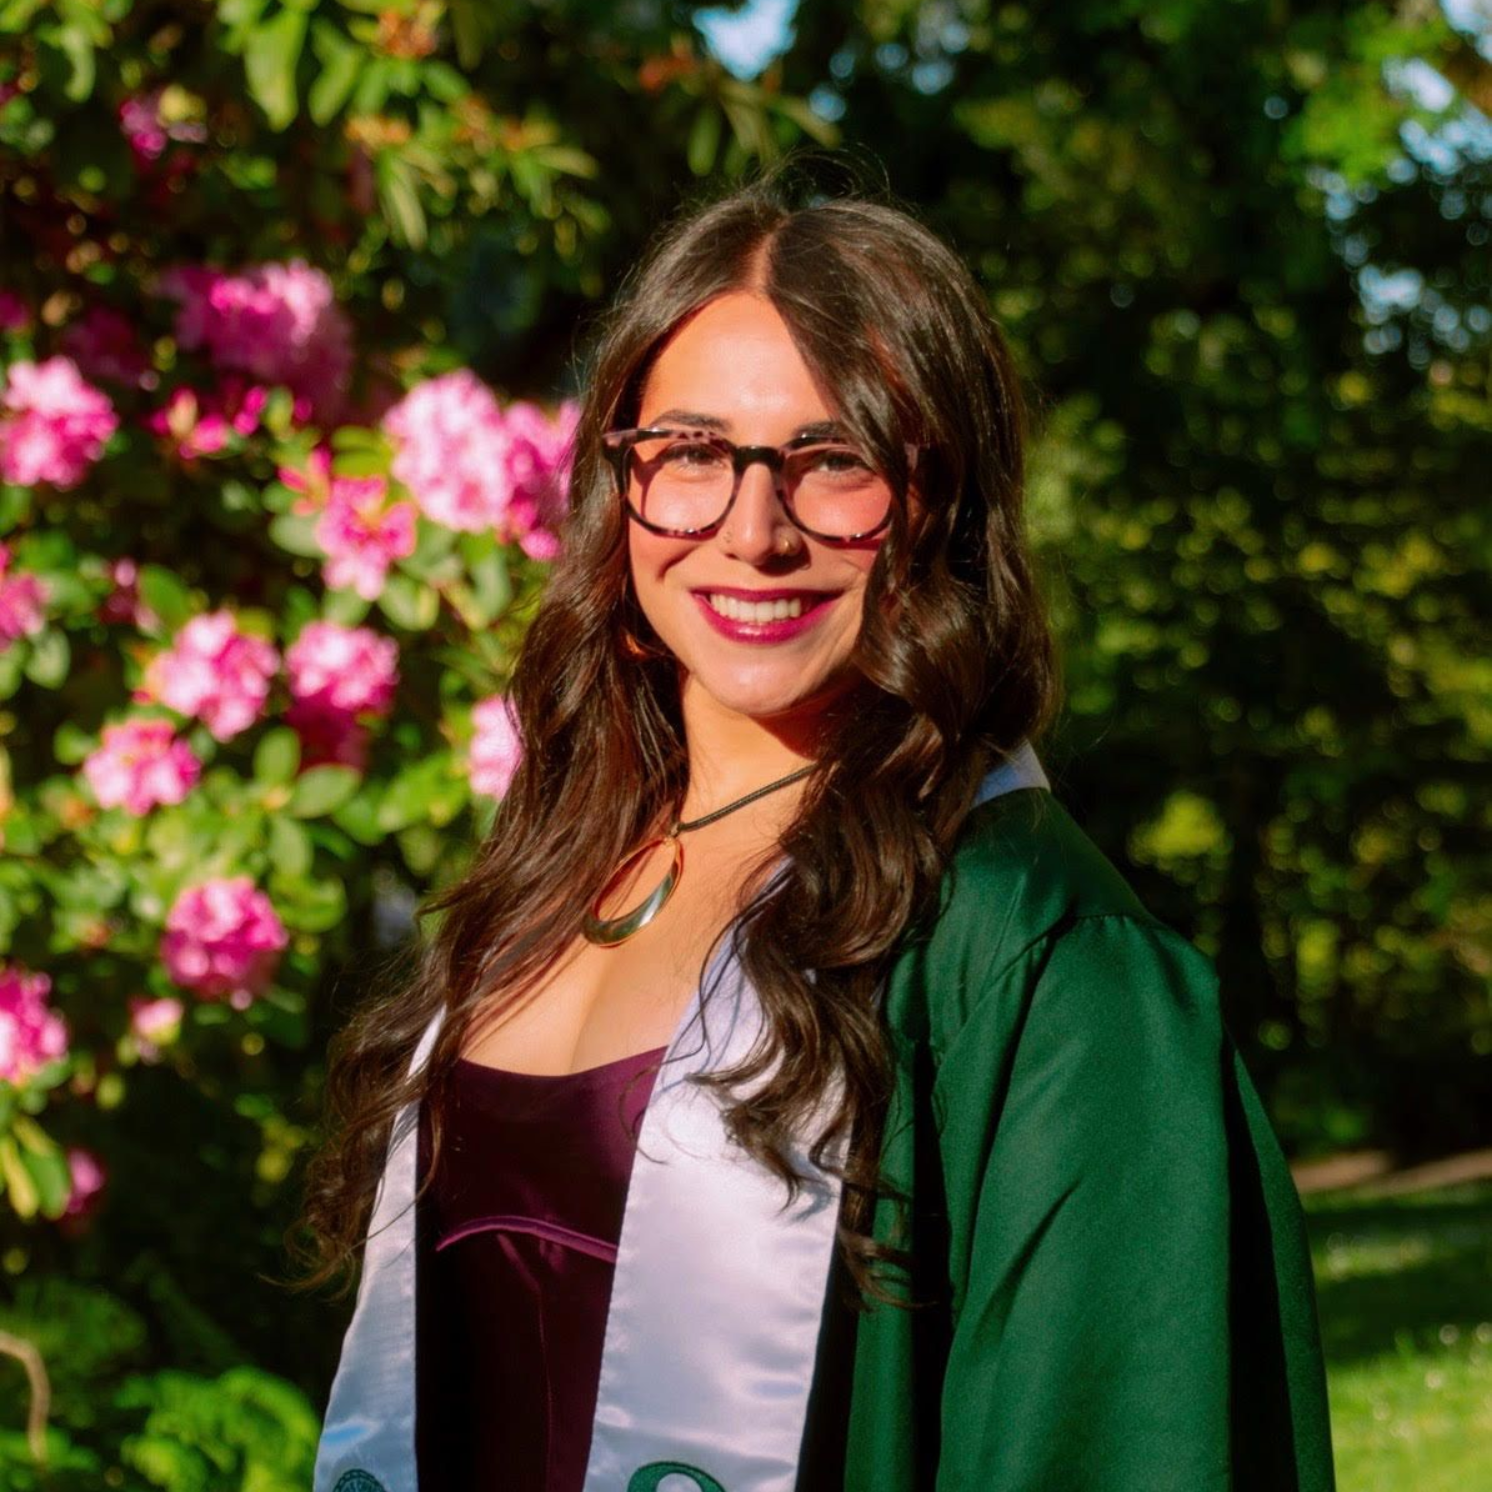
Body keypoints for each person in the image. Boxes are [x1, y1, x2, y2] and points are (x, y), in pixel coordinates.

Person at [297, 166, 1336, 1492]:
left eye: (833, 461)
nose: (753, 530)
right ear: (622, 487)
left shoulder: (1036, 956)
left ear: (944, 500)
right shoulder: (549, 885)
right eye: (689, 455)